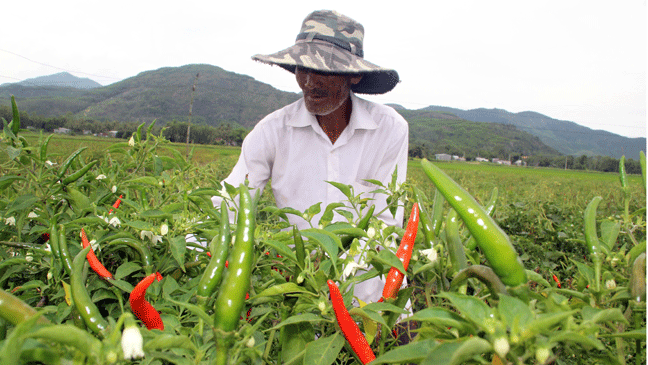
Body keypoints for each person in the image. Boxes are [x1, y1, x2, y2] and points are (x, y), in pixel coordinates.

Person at [217, 9, 409, 306]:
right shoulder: (272, 132)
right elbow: (231, 204)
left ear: (354, 75)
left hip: (372, 293)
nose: (308, 81)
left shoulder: (388, 129)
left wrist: (338, 268)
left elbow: (385, 220)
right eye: (301, 69)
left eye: (322, 70)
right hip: (302, 292)